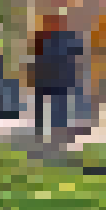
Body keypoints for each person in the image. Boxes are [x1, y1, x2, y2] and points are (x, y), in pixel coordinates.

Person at [29, 13, 84, 143]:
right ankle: (48, 134)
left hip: (55, 79)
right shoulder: (45, 37)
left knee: (57, 108)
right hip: (54, 79)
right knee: (54, 108)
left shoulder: (45, 37)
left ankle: (52, 134)